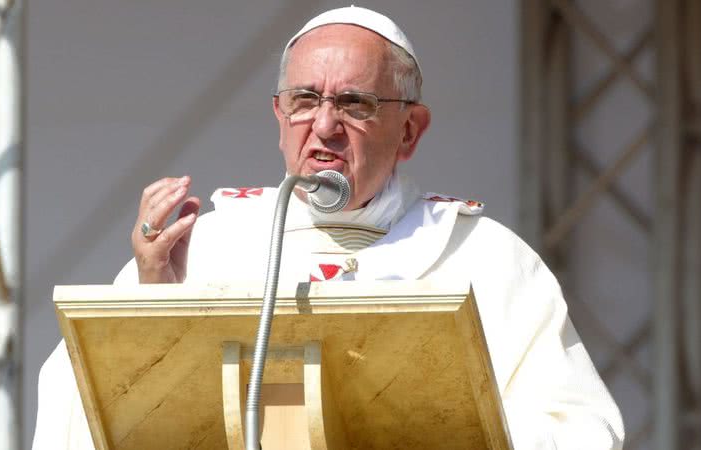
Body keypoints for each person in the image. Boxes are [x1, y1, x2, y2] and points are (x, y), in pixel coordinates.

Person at [32, 6, 624, 449]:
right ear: (279, 116)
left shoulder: (485, 259)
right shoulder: (205, 246)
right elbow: (76, 406)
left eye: (355, 104)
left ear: (410, 131)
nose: (325, 125)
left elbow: (580, 427)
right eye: (304, 100)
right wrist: (150, 302)